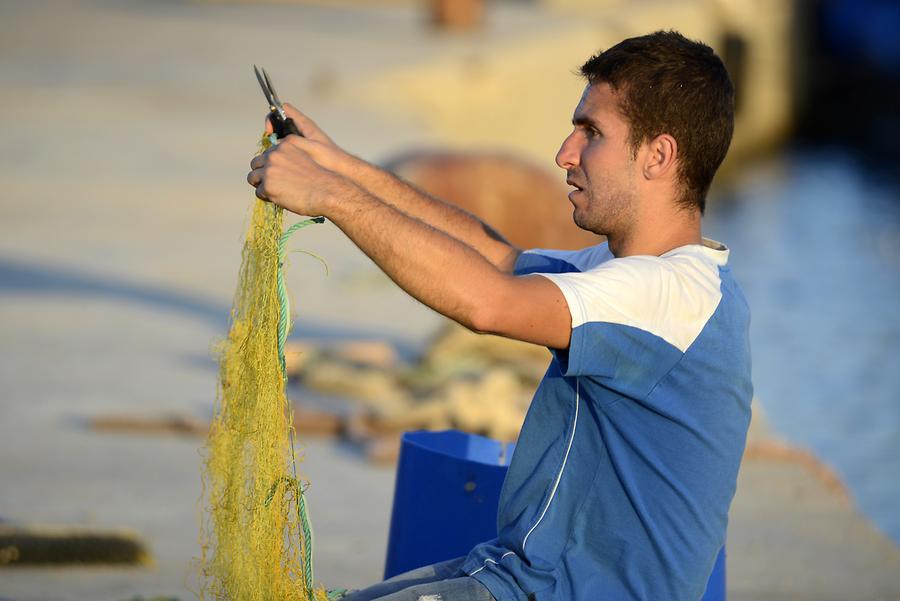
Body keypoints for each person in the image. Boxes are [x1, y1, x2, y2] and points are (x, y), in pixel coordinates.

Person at [247, 29, 752, 601]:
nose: (565, 153)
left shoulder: (665, 295)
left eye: (592, 133)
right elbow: (495, 258)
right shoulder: (633, 276)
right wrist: (339, 167)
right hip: (520, 573)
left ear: (658, 156)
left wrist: (330, 197)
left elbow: (486, 303)